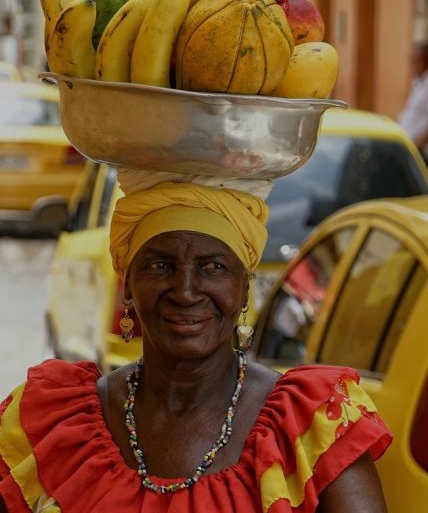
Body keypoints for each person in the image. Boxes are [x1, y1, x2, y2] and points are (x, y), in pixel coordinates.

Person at [0, 179, 392, 512]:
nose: (186, 292)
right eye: (159, 265)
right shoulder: (50, 425)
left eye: (213, 267)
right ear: (129, 287)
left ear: (243, 291)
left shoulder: (312, 428)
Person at [398, 42, 428, 162]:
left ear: (425, 61)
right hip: (407, 142)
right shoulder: (418, 82)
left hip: (416, 147)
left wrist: (417, 144)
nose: (412, 65)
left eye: (415, 61)